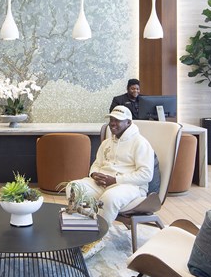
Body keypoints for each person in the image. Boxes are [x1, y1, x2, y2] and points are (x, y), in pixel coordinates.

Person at [66, 105, 154, 256]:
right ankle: (82, 231)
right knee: (73, 187)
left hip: (130, 186)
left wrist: (116, 180)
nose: (113, 123)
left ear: (128, 122)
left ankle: (96, 238)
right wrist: (94, 174)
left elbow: (146, 175)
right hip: (102, 182)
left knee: (109, 198)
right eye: (112, 120)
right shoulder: (107, 142)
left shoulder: (140, 143)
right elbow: (96, 164)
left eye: (118, 120)